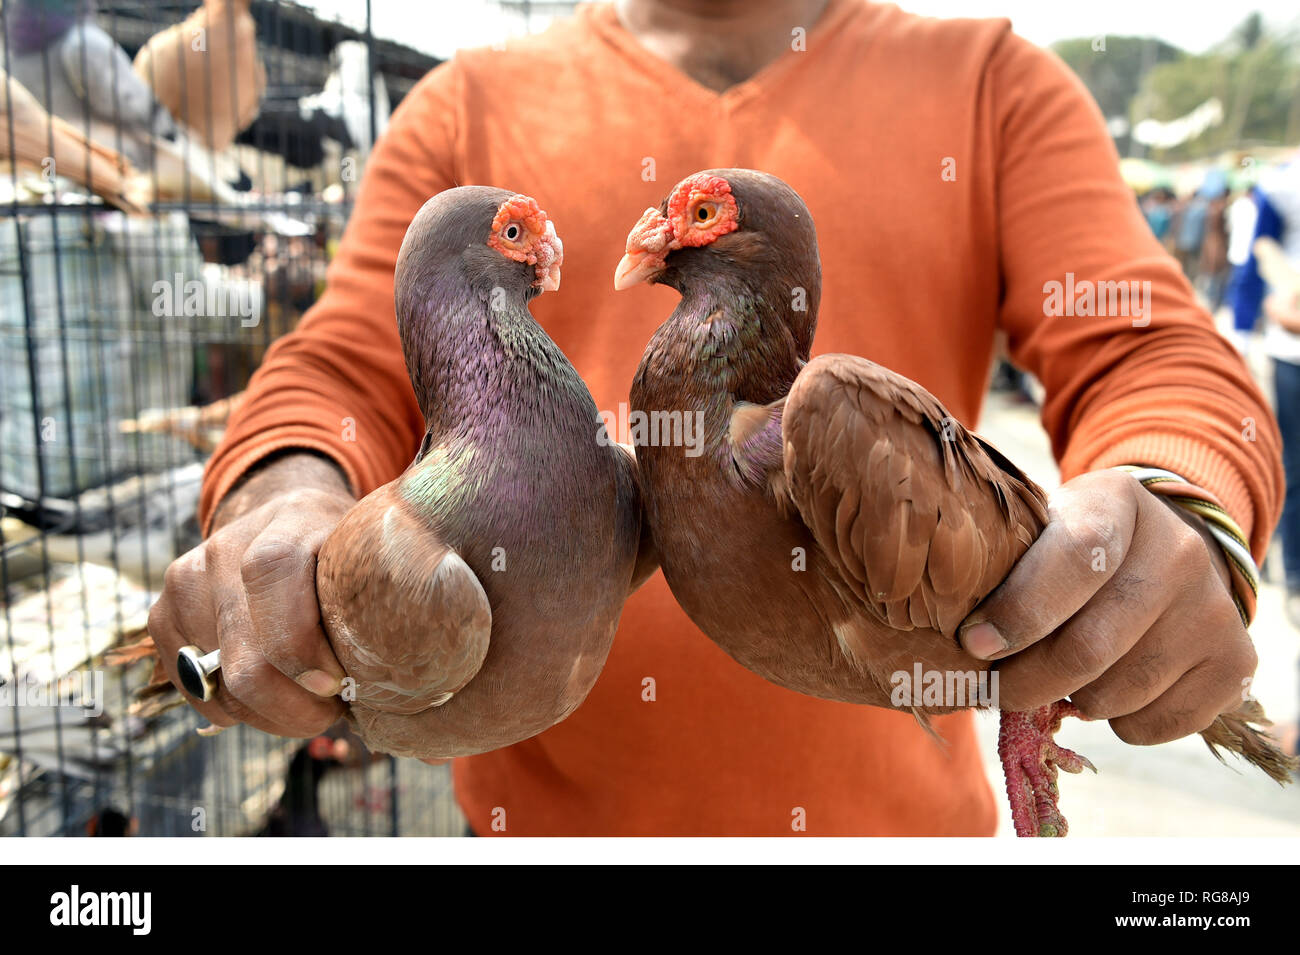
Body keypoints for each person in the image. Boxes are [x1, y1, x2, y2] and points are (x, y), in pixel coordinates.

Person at [146, 0, 1283, 835]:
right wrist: (284, 499)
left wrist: (1176, 509)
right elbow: (343, 366)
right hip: (541, 837)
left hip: (894, 837)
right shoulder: (469, 105)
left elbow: (1150, 347)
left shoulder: (991, 82)